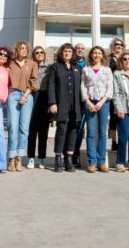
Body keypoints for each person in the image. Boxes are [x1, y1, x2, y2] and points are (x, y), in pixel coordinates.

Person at [47, 43, 82, 172]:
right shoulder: (55, 67)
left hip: (75, 105)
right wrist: (52, 103)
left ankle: (69, 159)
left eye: (69, 51)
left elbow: (81, 88)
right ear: (61, 53)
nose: (67, 53)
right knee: (61, 130)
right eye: (65, 51)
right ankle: (58, 159)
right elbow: (51, 86)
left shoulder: (77, 68)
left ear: (73, 54)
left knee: (73, 130)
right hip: (61, 103)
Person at [81, 46, 113, 173]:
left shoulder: (107, 70)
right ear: (91, 55)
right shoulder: (86, 70)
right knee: (91, 133)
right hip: (89, 103)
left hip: (103, 103)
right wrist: (87, 101)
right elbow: (83, 87)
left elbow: (110, 88)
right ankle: (92, 162)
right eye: (94, 53)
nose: (97, 55)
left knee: (102, 133)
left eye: (99, 53)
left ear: (102, 55)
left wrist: (102, 102)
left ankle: (101, 162)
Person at [7, 41, 38, 172]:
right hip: (13, 95)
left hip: (27, 96)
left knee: (23, 129)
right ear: (17, 50)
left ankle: (19, 158)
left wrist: (25, 95)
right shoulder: (10, 64)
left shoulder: (32, 64)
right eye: (21, 48)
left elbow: (33, 81)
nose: (24, 50)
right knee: (13, 128)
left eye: (25, 48)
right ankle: (11, 159)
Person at [27, 46, 51, 169]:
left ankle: (41, 158)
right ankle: (31, 158)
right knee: (31, 131)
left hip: (45, 98)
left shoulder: (49, 68)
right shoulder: (30, 66)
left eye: (42, 52)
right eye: (37, 52)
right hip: (32, 96)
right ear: (33, 55)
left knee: (43, 132)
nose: (40, 54)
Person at [71, 43, 87, 167]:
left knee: (82, 130)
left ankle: (76, 155)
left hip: (87, 101)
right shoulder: (71, 64)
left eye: (82, 48)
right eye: (78, 48)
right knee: (74, 129)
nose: (80, 50)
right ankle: (71, 155)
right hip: (74, 101)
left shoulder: (89, 64)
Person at [108, 38, 125, 151]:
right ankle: (114, 141)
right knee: (113, 118)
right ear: (113, 46)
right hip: (112, 91)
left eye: (120, 45)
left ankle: (122, 141)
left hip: (124, 92)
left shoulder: (126, 58)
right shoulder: (109, 59)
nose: (118, 46)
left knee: (123, 117)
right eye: (116, 44)